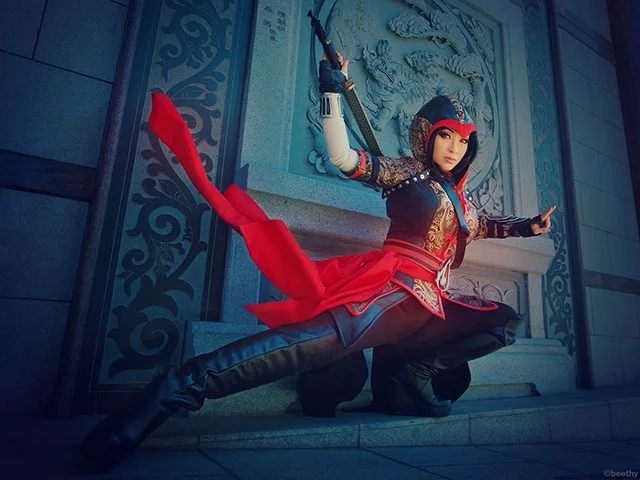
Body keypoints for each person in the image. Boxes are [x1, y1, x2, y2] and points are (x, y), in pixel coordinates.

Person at [80, 55, 555, 470]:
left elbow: (485, 224)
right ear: (426, 136)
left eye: (463, 140)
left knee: (502, 321)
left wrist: (528, 226)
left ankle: (412, 371)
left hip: (431, 309)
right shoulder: (407, 173)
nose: (454, 147)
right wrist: (331, 92)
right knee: (299, 345)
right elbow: (345, 158)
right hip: (390, 293)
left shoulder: (461, 198)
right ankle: (165, 397)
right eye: (446, 135)